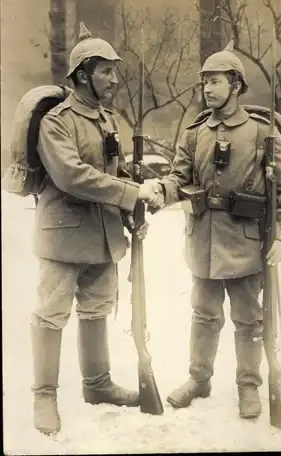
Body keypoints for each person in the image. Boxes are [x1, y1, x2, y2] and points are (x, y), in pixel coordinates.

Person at [155, 41, 281, 419]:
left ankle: (249, 385)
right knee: (203, 314)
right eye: (205, 82)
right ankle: (198, 379)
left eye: (216, 82)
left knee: (248, 318)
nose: (207, 88)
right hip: (203, 240)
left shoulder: (260, 133)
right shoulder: (195, 132)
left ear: (236, 85)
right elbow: (178, 175)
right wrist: (162, 189)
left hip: (245, 243)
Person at [31, 22, 162, 435]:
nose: (114, 79)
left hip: (103, 235)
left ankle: (98, 384)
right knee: (53, 313)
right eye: (106, 71)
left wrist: (130, 214)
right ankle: (44, 396)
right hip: (64, 235)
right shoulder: (57, 122)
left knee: (97, 307)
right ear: (84, 73)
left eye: (115, 71)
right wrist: (131, 192)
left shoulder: (106, 120)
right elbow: (72, 176)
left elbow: (113, 171)